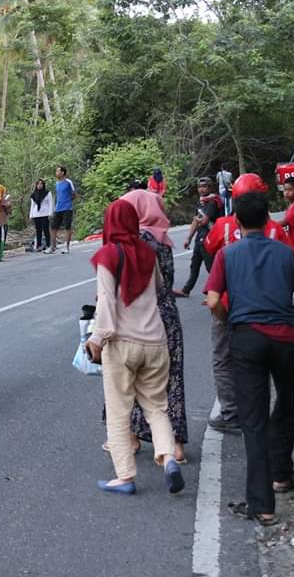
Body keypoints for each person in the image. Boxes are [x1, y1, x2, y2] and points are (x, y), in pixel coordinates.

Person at [205, 191, 294, 527]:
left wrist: (230, 320)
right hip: (285, 338)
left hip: (247, 339)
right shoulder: (287, 253)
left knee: (253, 420)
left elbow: (213, 301)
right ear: (269, 218)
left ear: (237, 222)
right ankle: (282, 474)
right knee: (285, 404)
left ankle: (262, 505)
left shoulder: (228, 254)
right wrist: (291, 313)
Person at [85, 199, 184, 496]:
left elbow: (106, 302)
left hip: (122, 343)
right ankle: (168, 458)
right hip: (155, 341)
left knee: (118, 411)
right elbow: (156, 290)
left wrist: (95, 340)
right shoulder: (148, 253)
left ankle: (125, 476)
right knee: (156, 407)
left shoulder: (107, 255)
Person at [203, 173, 293, 433]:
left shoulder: (223, 226)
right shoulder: (276, 230)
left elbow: (209, 250)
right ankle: (261, 412)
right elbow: (290, 263)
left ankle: (231, 413)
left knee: (223, 358)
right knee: (262, 362)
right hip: (267, 308)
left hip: (227, 305)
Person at [120, 189, 188, 463]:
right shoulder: (163, 239)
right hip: (168, 317)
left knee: (132, 378)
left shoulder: (134, 241)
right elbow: (167, 282)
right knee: (171, 380)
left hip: (139, 318)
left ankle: (130, 438)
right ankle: (177, 445)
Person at [175, 177, 222, 298]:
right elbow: (196, 221)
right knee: (194, 265)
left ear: (210, 187)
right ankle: (186, 290)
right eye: (199, 187)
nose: (201, 189)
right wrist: (188, 238)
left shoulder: (213, 201)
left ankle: (218, 293)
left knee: (210, 267)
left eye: (204, 186)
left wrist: (197, 220)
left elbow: (204, 221)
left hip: (208, 239)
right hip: (199, 238)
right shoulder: (201, 202)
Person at [48, 165, 77, 254]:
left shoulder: (68, 182)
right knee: (53, 227)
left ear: (62, 172)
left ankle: (67, 247)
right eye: (56, 171)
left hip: (67, 208)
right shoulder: (57, 183)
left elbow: (74, 194)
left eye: (58, 171)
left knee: (67, 227)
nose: (56, 173)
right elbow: (57, 196)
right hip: (58, 208)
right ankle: (53, 247)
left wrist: (68, 201)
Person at [29, 178, 53, 252]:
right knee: (38, 230)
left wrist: (50, 213)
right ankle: (39, 245)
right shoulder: (34, 195)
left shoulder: (47, 193)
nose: (40, 185)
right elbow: (32, 205)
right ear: (36, 185)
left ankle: (48, 244)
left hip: (45, 213)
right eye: (38, 184)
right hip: (36, 214)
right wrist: (31, 215)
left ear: (43, 185)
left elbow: (50, 203)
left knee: (46, 229)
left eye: (41, 184)